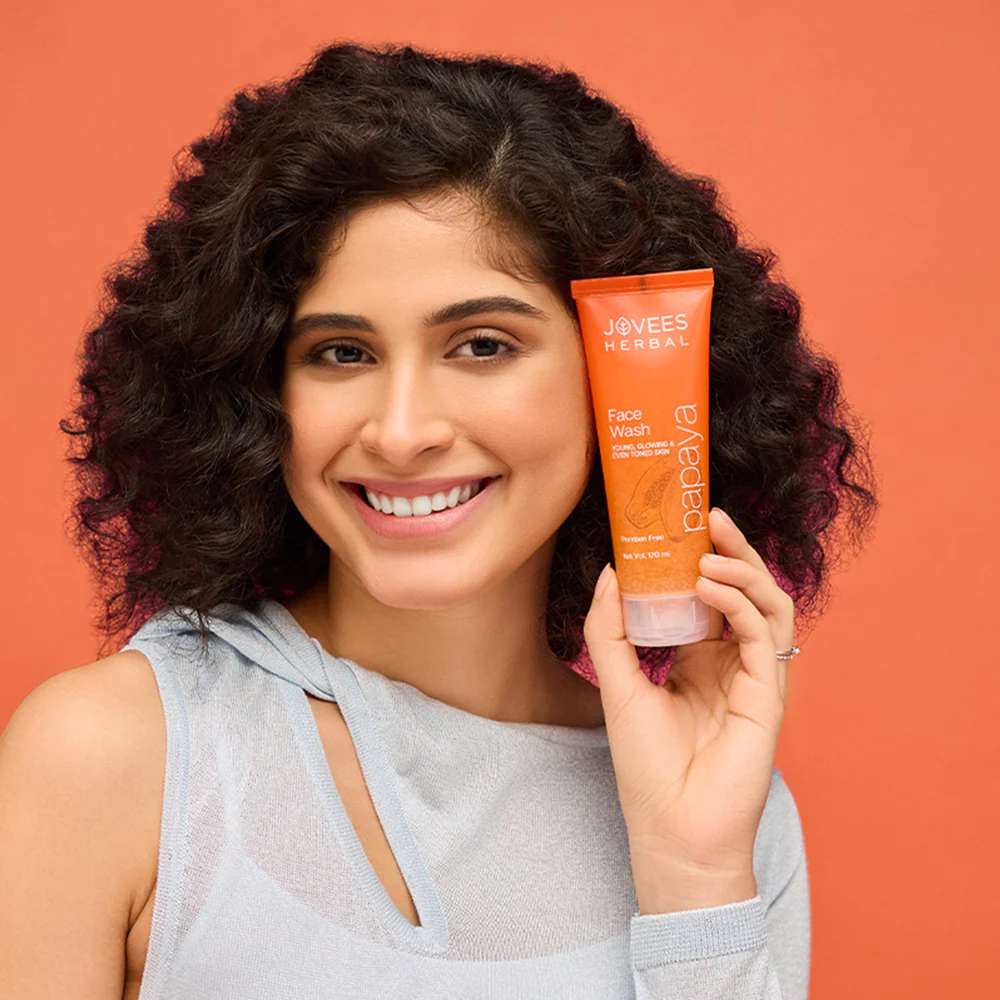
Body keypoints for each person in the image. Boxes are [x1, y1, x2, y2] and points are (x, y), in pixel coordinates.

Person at [0, 41, 878, 999]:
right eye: (341, 353)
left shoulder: (730, 810)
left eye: (483, 345)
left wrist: (696, 880)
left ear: (610, 380)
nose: (403, 431)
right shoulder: (118, 756)